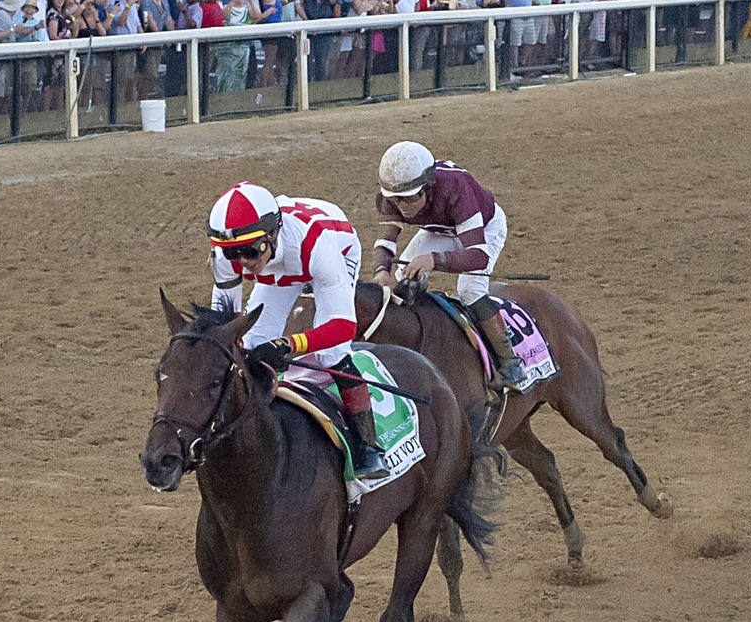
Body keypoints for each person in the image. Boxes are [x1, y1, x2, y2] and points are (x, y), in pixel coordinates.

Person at [207, 181, 388, 481]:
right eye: (232, 254)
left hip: (334, 247)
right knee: (252, 345)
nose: (244, 263)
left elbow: (343, 327)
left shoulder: (317, 247)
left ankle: (368, 447)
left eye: (250, 251)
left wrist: (289, 344)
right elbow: (225, 320)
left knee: (332, 354)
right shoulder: (234, 250)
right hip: (281, 264)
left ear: (272, 234)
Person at [370, 140, 519, 389]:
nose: (403, 207)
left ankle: (510, 363)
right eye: (396, 200)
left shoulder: (456, 189)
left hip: (483, 228)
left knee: (470, 290)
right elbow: (385, 240)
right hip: (441, 229)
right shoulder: (393, 195)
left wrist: (434, 260)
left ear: (428, 187)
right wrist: (380, 271)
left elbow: (478, 255)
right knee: (401, 273)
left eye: (410, 198)